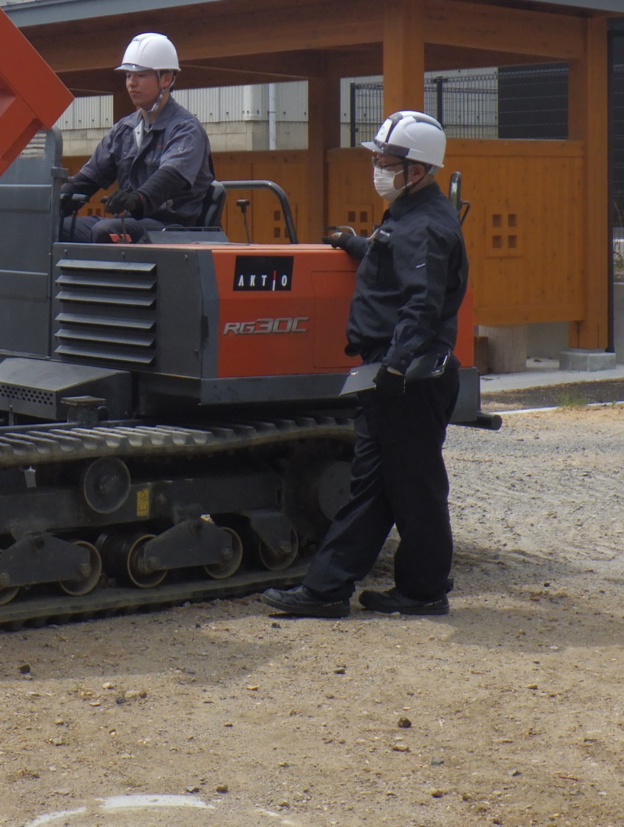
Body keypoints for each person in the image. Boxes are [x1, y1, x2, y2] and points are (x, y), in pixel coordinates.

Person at [262, 110, 467, 618]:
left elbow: (420, 303)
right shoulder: (410, 215)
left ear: (415, 170)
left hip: (408, 377)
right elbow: (393, 261)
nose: (376, 167)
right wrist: (357, 244)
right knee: (379, 487)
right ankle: (337, 590)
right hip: (401, 373)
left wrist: (394, 368)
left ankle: (408, 591)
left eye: (385, 160)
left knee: (412, 489)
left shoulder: (422, 226)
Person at [60, 32, 214, 243]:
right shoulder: (124, 130)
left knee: (107, 231)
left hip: (171, 227)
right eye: (128, 76)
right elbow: (88, 178)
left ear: (166, 79)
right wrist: (55, 201)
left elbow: (170, 177)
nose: (131, 83)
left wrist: (137, 198)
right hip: (130, 220)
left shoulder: (186, 129)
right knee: (54, 226)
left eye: (140, 75)